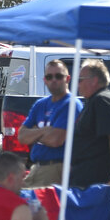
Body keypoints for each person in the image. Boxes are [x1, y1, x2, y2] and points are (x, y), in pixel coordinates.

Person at [17, 60, 83, 188]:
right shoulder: (40, 104)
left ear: (67, 79)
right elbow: (21, 136)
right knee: (14, 199)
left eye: (58, 76)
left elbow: (55, 140)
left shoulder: (71, 104)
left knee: (35, 206)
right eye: (49, 77)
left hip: (57, 168)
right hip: (36, 167)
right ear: (44, 80)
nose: (53, 80)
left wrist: (34, 133)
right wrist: (45, 130)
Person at [70, 59, 110, 188]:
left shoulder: (103, 101)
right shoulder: (93, 101)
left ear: (94, 80)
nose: (77, 85)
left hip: (94, 180)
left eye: (80, 80)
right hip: (81, 177)